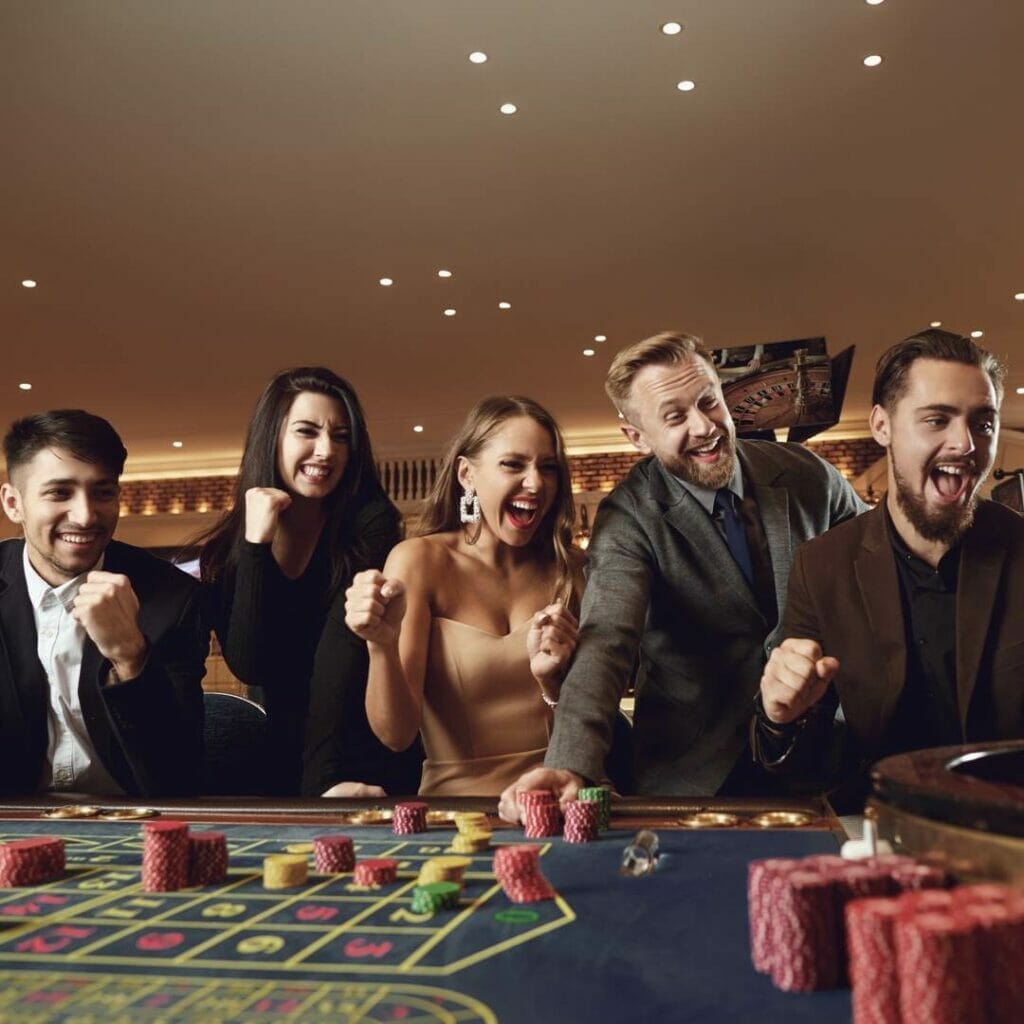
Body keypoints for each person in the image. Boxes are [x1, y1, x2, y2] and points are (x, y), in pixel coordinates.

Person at [499, 331, 865, 820]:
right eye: (674, 417)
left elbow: (878, 563)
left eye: (709, 402)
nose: (704, 427)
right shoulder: (628, 516)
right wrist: (570, 764)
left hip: (822, 756)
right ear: (637, 437)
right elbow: (606, 638)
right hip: (696, 772)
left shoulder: (808, 475)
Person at [755, 328, 1022, 809]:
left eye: (983, 423)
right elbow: (801, 768)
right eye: (937, 420)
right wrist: (780, 717)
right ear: (882, 426)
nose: (965, 443)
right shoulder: (823, 567)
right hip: (882, 832)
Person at [199, 367, 422, 796]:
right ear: (273, 437)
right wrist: (255, 544)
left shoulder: (370, 525)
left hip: (363, 761)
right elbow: (250, 663)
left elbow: (342, 652)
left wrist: (324, 784)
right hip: (283, 765)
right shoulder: (227, 550)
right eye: (307, 431)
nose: (326, 451)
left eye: (340, 436)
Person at [344, 396, 583, 796]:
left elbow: (597, 725)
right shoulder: (420, 561)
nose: (536, 482)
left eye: (548, 467)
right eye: (513, 464)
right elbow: (396, 735)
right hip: (463, 809)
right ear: (466, 475)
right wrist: (381, 646)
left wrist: (553, 686)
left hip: (564, 799)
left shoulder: (572, 570)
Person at [0, 409, 207, 797]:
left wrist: (130, 655)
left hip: (130, 821)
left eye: (102, 492)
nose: (85, 515)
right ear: (14, 503)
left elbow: (178, 775)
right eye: (60, 492)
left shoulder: (173, 598)